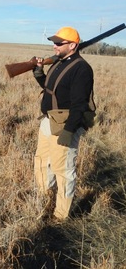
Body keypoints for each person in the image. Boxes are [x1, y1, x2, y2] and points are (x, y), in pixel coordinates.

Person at [32, 26, 94, 220]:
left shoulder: (81, 68)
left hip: (64, 124)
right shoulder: (59, 62)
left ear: (73, 45)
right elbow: (53, 89)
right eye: (54, 42)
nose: (54, 46)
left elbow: (79, 105)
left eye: (59, 43)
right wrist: (39, 74)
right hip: (48, 120)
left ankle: (61, 216)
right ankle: (44, 199)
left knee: (63, 170)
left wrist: (69, 131)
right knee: (42, 162)